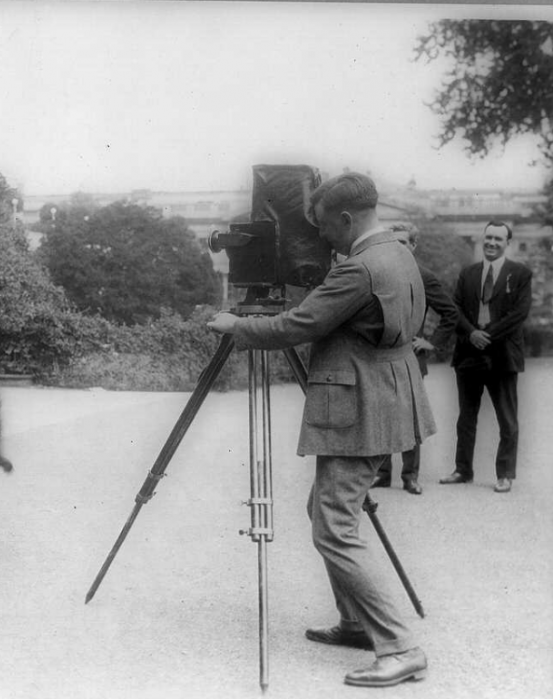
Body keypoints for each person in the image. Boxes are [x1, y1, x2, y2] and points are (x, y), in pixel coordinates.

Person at [207, 172, 433, 688]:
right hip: (386, 397)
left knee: (333, 527)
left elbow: (297, 325)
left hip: (359, 405)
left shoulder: (357, 269)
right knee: (326, 510)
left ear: (348, 219)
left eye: (326, 225)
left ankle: (399, 645)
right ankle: (356, 623)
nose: (322, 236)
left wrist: (236, 326)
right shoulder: (398, 253)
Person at [440, 220, 532, 493]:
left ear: (507, 244)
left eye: (498, 239)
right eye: (488, 238)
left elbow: (519, 314)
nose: (492, 243)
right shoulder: (468, 273)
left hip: (502, 355)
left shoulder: (520, 274)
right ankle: (462, 470)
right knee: (466, 417)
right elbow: (454, 308)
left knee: (507, 418)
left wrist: (486, 335)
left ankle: (505, 474)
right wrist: (471, 334)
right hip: (469, 354)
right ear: (483, 240)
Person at [373, 224, 459, 494]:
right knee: (382, 416)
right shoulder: (379, 274)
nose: (398, 247)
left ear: (413, 245)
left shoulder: (425, 276)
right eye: (393, 242)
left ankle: (410, 476)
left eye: (403, 242)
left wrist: (430, 343)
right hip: (382, 357)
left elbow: (451, 314)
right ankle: (383, 474)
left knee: (410, 418)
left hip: (411, 357)